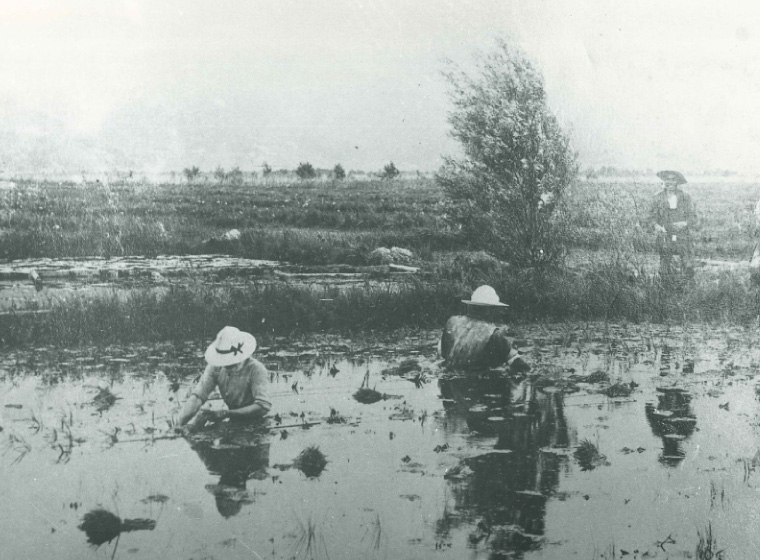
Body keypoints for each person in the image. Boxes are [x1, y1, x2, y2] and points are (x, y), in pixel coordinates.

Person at [178, 326, 272, 429]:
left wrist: (227, 413)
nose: (228, 367)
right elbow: (198, 397)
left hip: (257, 421)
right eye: (225, 363)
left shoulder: (256, 370)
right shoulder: (215, 367)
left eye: (231, 364)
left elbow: (263, 406)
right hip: (232, 418)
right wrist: (179, 424)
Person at [439, 285, 530, 373]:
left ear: (471, 306)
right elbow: (521, 367)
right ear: (489, 310)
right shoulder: (494, 334)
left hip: (449, 379)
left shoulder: (452, 322)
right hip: (476, 382)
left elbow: (443, 354)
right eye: (495, 309)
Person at [649, 170, 697, 281]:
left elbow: (693, 217)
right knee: (664, 268)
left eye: (673, 179)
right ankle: (666, 290)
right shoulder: (657, 197)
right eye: (667, 179)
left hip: (682, 235)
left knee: (688, 266)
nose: (669, 182)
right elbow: (650, 217)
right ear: (664, 181)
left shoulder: (685, 197)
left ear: (677, 182)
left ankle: (686, 290)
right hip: (665, 235)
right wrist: (656, 226)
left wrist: (684, 223)